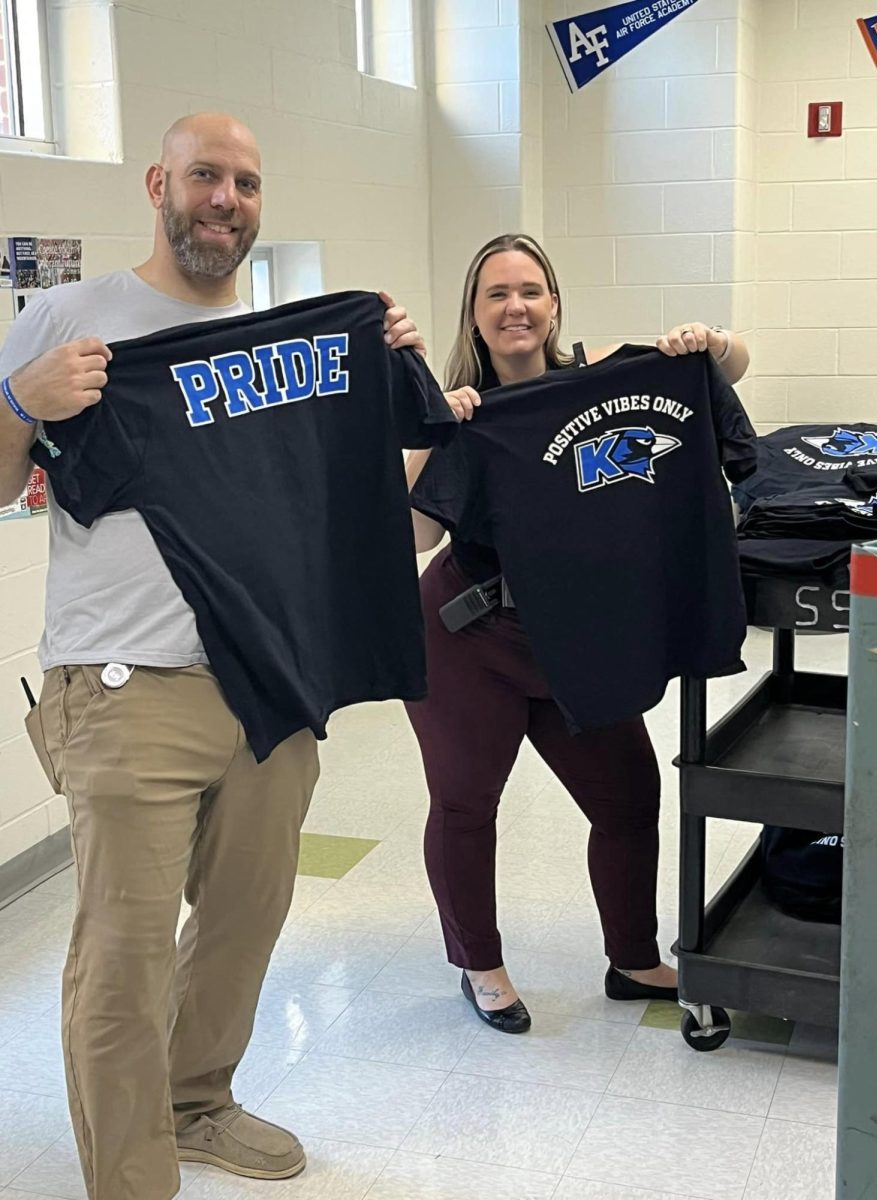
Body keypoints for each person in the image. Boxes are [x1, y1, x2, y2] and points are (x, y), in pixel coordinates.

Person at [0, 113, 426, 1200]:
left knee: (246, 921)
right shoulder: (68, 316)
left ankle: (197, 1100)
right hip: (122, 682)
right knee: (125, 959)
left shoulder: (288, 343)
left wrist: (390, 376)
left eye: (244, 181)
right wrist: (15, 402)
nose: (224, 197)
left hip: (267, 682)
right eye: (204, 175)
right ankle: (132, 1181)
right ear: (158, 183)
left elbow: (392, 512)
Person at [405, 232, 750, 1033]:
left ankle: (632, 959)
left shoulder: (604, 384)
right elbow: (415, 538)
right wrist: (431, 434)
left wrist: (708, 344)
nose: (515, 306)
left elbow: (727, 373)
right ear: (475, 316)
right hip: (468, 638)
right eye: (496, 294)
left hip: (573, 642)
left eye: (529, 290)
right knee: (465, 805)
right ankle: (480, 966)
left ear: (554, 303)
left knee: (630, 797)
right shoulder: (460, 411)